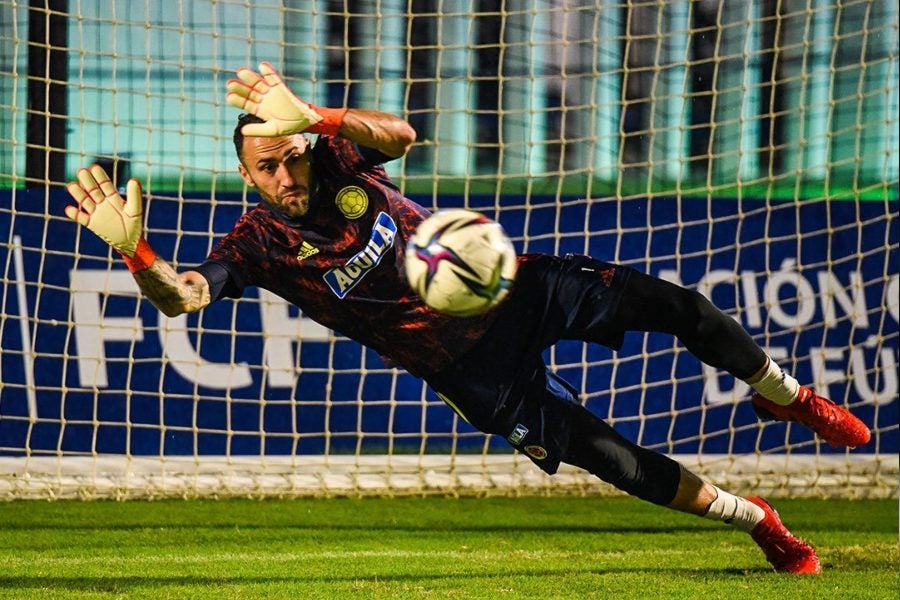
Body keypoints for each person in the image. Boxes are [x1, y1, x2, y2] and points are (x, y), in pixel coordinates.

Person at [65, 61, 871, 575]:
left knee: (679, 305)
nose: (283, 172)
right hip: (466, 370)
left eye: (289, 154)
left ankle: (785, 393)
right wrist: (139, 256)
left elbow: (404, 135)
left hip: (506, 283)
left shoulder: (335, 153)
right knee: (610, 459)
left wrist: (316, 115)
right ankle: (757, 519)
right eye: (264, 165)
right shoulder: (257, 243)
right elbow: (187, 296)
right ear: (243, 173)